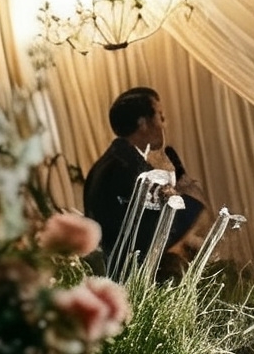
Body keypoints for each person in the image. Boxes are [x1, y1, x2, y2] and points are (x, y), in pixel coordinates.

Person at [81, 87, 207, 273]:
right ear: (143, 123)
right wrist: (191, 205)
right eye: (160, 117)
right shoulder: (127, 169)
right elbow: (152, 232)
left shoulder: (111, 162)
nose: (164, 125)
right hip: (127, 275)